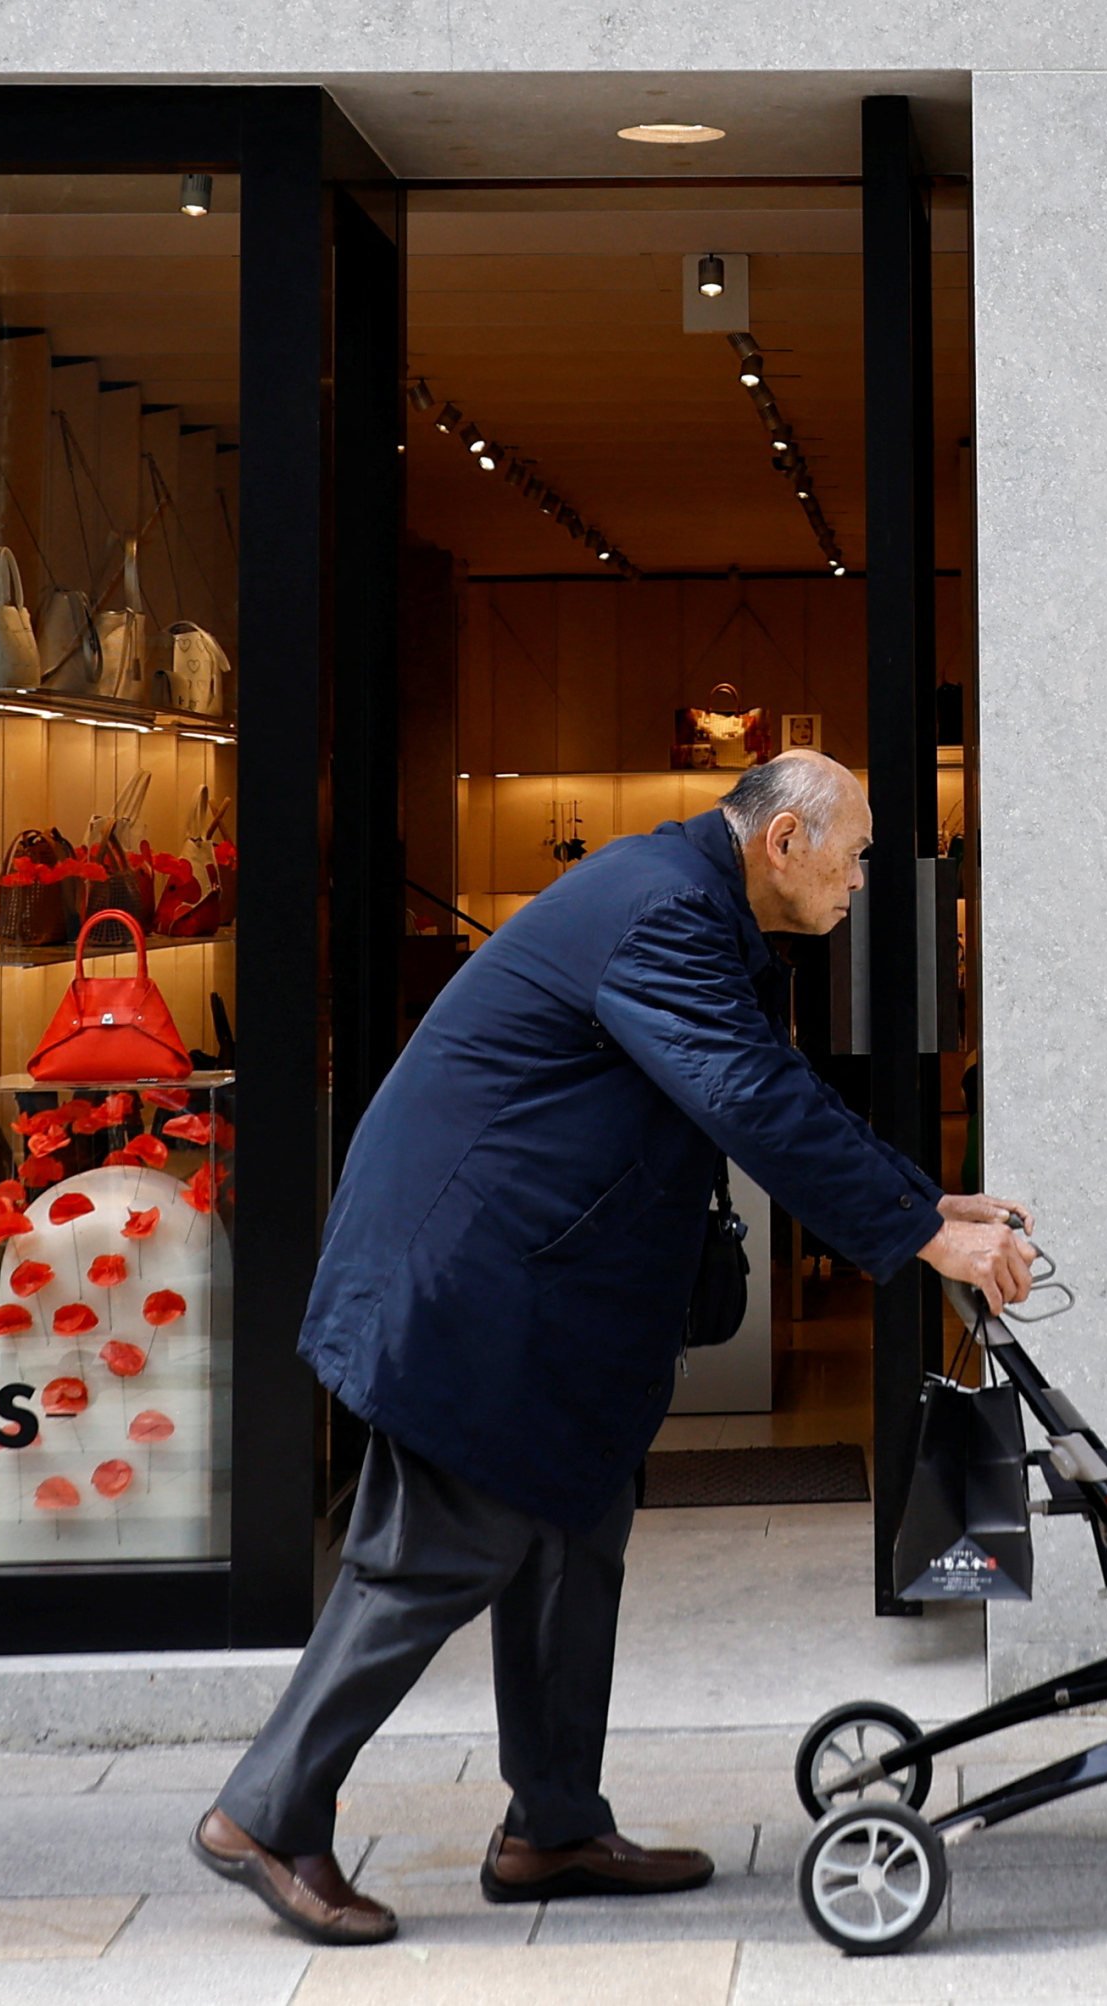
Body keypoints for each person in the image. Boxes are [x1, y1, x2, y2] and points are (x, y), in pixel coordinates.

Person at [189, 748, 1035, 1945]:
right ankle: (264, 1811)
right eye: (850, 857)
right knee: (437, 1549)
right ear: (782, 841)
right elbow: (744, 1092)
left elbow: (776, 1087)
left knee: (575, 1536)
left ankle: (553, 1826)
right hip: (468, 1285)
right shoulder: (661, 913)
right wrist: (916, 1234)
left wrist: (930, 1205)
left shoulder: (695, 907)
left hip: (535, 1288)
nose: (859, 883)